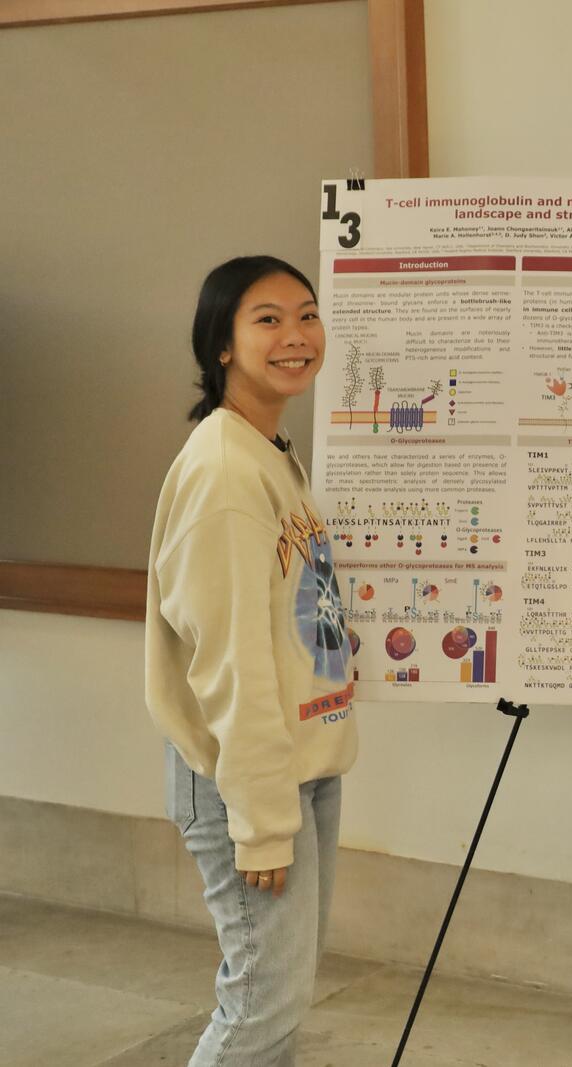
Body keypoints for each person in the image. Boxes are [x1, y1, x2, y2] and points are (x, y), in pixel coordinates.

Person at [146, 256, 357, 1063]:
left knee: (279, 997)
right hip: (250, 777)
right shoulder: (228, 470)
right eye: (266, 319)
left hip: (297, 762)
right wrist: (264, 826)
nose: (295, 335)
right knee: (260, 1004)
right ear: (223, 344)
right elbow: (228, 661)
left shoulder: (266, 451)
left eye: (306, 314)